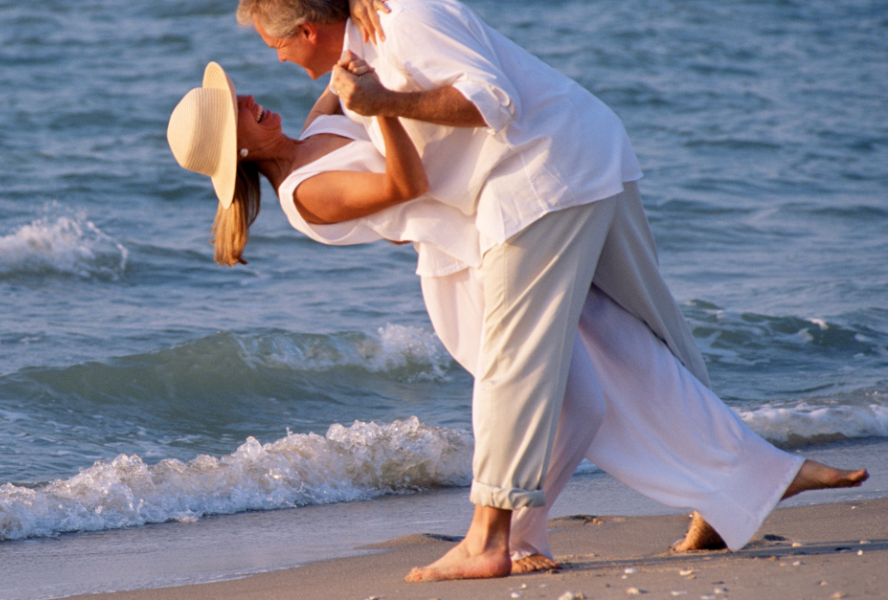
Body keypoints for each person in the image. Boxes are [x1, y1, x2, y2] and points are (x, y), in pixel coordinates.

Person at [168, 58, 869, 581]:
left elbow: (352, 50)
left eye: (242, 95)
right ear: (240, 151)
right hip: (464, 281)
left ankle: (751, 476)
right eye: (241, 111)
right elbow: (405, 185)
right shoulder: (305, 195)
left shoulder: (320, 121)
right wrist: (379, 107)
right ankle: (522, 537)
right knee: (576, 404)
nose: (255, 99)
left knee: (618, 370)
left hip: (509, 243)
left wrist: (366, 64)